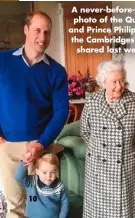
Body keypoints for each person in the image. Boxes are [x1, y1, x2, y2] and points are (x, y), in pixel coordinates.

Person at [0, 11, 68, 218]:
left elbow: (61, 112)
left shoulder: (56, 71)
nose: (42, 37)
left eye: (47, 32)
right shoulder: (2, 61)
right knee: (14, 204)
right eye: (37, 30)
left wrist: (41, 144)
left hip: (40, 148)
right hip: (7, 147)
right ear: (26, 30)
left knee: (39, 203)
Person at [80, 60, 135, 218]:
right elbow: (84, 131)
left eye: (122, 80)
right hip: (98, 167)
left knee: (125, 210)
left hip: (126, 165)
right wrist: (98, 151)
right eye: (114, 82)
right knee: (98, 210)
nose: (119, 86)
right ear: (103, 82)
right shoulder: (91, 101)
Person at [14, 153, 69, 218]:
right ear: (37, 171)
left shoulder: (59, 186)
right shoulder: (32, 182)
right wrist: (24, 162)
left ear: (56, 171)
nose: (48, 176)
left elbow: (65, 203)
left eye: (52, 172)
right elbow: (19, 177)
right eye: (44, 172)